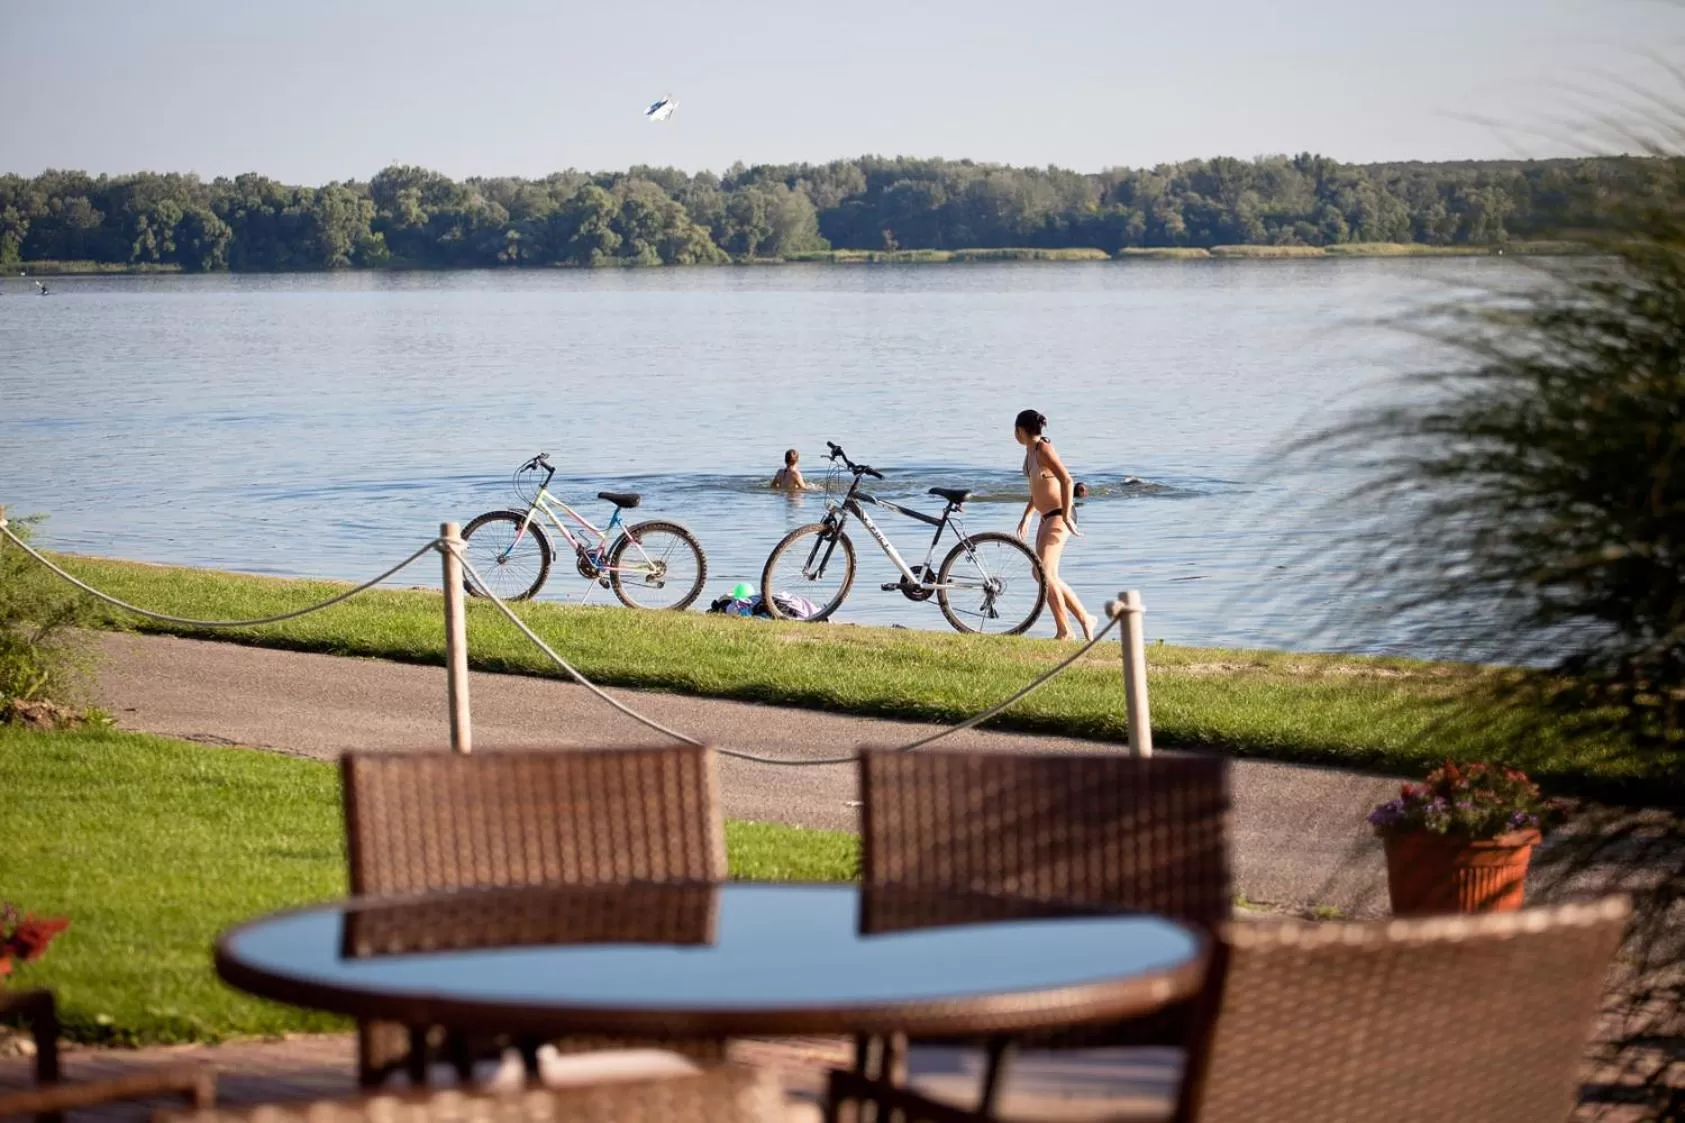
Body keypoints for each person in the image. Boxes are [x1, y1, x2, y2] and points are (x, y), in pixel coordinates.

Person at [1014, 409, 1097, 641]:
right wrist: (1027, 516)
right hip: (1046, 517)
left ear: (1020, 431)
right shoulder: (1029, 452)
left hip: (1060, 515)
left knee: (1044, 572)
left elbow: (1067, 479)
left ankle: (1065, 630)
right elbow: (1037, 489)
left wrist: (1068, 516)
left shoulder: (1043, 448)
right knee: (1040, 573)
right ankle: (1085, 618)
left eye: (1015, 430)